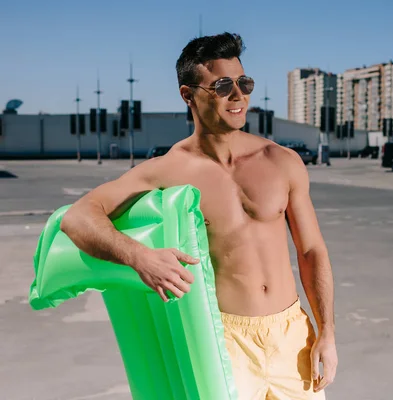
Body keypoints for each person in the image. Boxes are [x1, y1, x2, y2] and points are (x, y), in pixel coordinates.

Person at [60, 32, 337, 399]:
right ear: (188, 95)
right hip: (223, 338)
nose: (238, 96)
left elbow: (311, 250)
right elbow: (77, 217)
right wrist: (139, 257)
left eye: (244, 82)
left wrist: (327, 332)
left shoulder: (282, 161)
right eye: (223, 85)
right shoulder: (167, 170)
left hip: (292, 334)